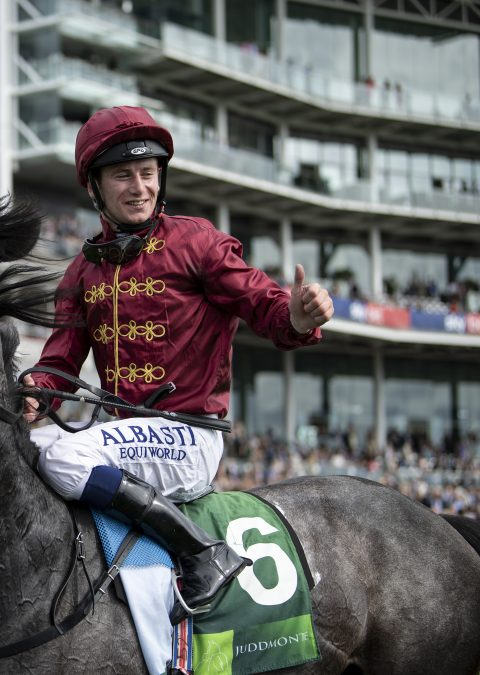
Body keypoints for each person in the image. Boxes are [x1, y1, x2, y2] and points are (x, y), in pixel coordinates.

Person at [21, 106, 333, 671]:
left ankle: (202, 553)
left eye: (149, 172)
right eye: (123, 175)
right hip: (123, 438)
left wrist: (299, 316)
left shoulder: (198, 243)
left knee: (63, 456)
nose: (140, 187)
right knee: (24, 452)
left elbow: (263, 304)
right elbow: (59, 366)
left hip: (187, 437)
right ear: (95, 186)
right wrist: (31, 394)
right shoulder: (81, 273)